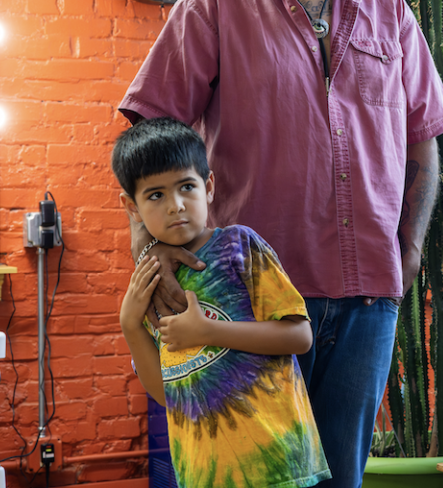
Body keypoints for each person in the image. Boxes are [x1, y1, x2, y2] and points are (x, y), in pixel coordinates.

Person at [117, 0, 443, 485]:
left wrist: (409, 249)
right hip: (247, 306)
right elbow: (147, 133)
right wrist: (154, 254)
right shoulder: (213, 2)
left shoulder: (390, 10)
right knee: (254, 477)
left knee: (342, 480)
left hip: (367, 304)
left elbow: (424, 139)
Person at [113, 117, 330, 488]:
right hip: (204, 471)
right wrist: (130, 325)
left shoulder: (239, 246)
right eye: (155, 195)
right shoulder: (151, 283)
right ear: (131, 207)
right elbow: (169, 394)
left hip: (275, 461)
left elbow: (299, 337)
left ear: (208, 186)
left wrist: (208, 331)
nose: (175, 205)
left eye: (186, 187)